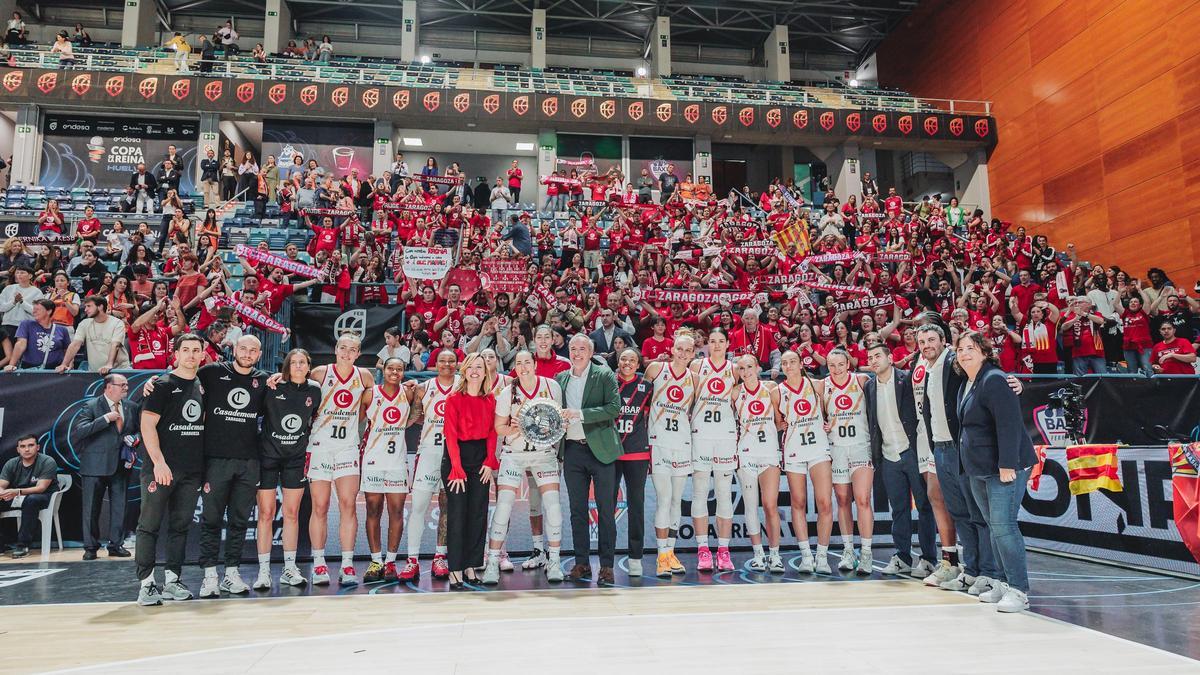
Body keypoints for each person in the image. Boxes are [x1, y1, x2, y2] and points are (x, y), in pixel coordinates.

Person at [954, 330, 1037, 613]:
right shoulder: (970, 382)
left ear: (985, 352)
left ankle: (1019, 590)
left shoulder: (995, 380)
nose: (964, 353)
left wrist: (1007, 465)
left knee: (1004, 526)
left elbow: (1009, 425)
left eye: (970, 348)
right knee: (993, 526)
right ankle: (1001, 582)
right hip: (980, 468)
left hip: (1003, 468)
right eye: (960, 349)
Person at [135, 333, 206, 606]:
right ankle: (146, 584)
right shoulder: (162, 385)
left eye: (195, 350)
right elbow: (147, 425)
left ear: (202, 355)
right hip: (161, 469)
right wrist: (159, 462)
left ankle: (172, 580)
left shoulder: (203, 384)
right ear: (175, 354)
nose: (190, 355)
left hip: (191, 471)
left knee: (180, 526)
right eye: (185, 350)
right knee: (149, 526)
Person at [484, 350, 565, 584]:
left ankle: (555, 562)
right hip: (514, 454)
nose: (523, 366)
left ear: (535, 364)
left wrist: (543, 427)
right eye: (518, 363)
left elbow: (556, 421)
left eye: (527, 362)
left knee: (553, 507)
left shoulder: (551, 387)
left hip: (543, 454)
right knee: (503, 506)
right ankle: (492, 562)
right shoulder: (507, 393)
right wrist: (516, 427)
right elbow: (499, 427)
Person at [303, 334, 372, 586]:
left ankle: (346, 564)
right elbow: (302, 399)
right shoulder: (321, 373)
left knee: (348, 505)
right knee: (319, 506)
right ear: (335, 349)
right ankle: (319, 563)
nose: (347, 353)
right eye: (343, 348)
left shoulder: (364, 377)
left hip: (347, 448)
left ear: (358, 353)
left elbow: (367, 409)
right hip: (320, 447)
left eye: (352, 349)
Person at [864, 343, 937, 577]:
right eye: (870, 357)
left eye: (878, 356)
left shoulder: (906, 380)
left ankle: (928, 559)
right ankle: (902, 557)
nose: (874, 360)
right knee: (899, 510)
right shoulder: (869, 386)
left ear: (890, 357)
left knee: (925, 507)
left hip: (913, 452)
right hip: (888, 456)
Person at [555, 334, 622, 584]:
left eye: (582, 348)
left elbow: (614, 408)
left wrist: (580, 414)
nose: (577, 353)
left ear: (591, 351)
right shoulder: (560, 378)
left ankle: (607, 566)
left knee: (606, 511)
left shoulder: (604, 375)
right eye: (573, 348)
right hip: (572, 451)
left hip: (601, 449)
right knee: (577, 511)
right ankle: (581, 562)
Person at [253, 348, 321, 590]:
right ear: (287, 367)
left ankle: (289, 568)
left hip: (295, 458)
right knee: (266, 514)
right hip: (268, 457)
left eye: (303, 362)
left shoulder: (314, 390)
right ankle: (263, 571)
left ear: (309, 365)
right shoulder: (273, 386)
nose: (299, 366)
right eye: (294, 363)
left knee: (291, 514)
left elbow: (314, 417)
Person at [399, 349, 458, 582]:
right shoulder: (425, 388)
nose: (446, 364)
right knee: (419, 507)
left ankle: (440, 556)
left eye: (451, 360)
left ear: (457, 364)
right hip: (428, 454)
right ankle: (412, 559)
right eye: (442, 360)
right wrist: (405, 393)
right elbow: (413, 418)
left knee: (447, 507)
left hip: (453, 455)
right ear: (436, 363)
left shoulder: (464, 385)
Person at [441, 353, 497, 588]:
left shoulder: (490, 399)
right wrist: (456, 467)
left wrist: (489, 461)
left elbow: (493, 432)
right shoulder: (454, 399)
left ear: (486, 372)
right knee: (457, 515)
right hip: (457, 458)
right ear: (464, 371)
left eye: (480, 367)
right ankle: (454, 569)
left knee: (478, 514)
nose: (475, 370)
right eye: (471, 366)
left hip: (480, 459)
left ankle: (471, 566)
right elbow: (450, 435)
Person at [643, 333, 697, 577]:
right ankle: (661, 555)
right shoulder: (656, 369)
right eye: (680, 348)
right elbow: (640, 403)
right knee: (664, 499)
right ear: (672, 349)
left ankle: (671, 552)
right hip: (659, 443)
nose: (683, 353)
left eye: (688, 350)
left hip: (683, 444)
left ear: (693, 354)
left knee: (677, 501)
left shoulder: (695, 379)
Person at [69, 374, 137, 560]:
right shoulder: (91, 406)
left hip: (121, 465)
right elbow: (81, 431)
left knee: (119, 508)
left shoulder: (131, 407)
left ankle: (116, 545)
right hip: (94, 466)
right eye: (121, 385)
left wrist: (135, 438)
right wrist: (105, 418)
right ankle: (90, 547)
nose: (126, 388)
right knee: (91, 509)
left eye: (126, 385)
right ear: (108, 387)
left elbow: (137, 430)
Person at [777, 350, 833, 574]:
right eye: (784, 363)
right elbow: (778, 423)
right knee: (798, 502)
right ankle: (806, 556)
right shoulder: (777, 392)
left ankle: (822, 556)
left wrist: (830, 422)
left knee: (825, 503)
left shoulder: (817, 386)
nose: (788, 366)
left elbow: (832, 410)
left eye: (792, 362)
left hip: (818, 448)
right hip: (793, 451)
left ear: (801, 363)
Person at [688, 328, 739, 572]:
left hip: (726, 436)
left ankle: (723, 549)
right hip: (701, 435)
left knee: (724, 494)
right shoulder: (697, 367)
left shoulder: (735, 369)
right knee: (700, 493)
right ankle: (703, 549)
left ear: (728, 344)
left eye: (721, 341)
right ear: (707, 344)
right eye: (713, 341)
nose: (717, 345)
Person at [360, 357, 414, 583]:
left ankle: (390, 561)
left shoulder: (409, 393)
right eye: (391, 368)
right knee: (373, 510)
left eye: (399, 369)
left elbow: (415, 415)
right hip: (373, 459)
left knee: (397, 512)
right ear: (384, 369)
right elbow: (357, 420)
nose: (394, 372)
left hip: (397, 462)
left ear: (403, 372)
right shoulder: (370, 393)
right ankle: (376, 561)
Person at [822, 348, 875, 574]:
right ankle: (848, 550)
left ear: (848, 364)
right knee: (842, 500)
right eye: (832, 365)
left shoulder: (861, 380)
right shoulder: (822, 385)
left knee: (862, 499)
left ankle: (866, 553)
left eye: (840, 364)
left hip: (861, 446)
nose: (836, 369)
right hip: (837, 449)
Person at [733, 354, 783, 572]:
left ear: (758, 367)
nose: (746, 371)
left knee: (771, 506)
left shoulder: (771, 387)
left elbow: (781, 420)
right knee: (751, 506)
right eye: (741, 368)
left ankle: (775, 554)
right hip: (746, 454)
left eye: (749, 367)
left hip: (769, 453)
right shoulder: (735, 392)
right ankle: (758, 554)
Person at [614, 347, 652, 576]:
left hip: (637, 453)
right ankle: (606, 559)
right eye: (623, 359)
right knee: (607, 506)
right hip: (610, 453)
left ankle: (635, 557)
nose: (627, 362)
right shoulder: (608, 383)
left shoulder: (646, 387)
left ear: (638, 365)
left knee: (636, 507)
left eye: (632, 360)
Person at [0, 435, 60, 558]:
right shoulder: (11, 463)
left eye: (30, 445)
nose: (26, 449)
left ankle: (23, 545)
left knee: (31, 499)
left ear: (37, 447)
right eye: (23, 446)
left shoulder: (47, 461)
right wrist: (2, 493)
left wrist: (17, 492)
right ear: (18, 449)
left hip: (43, 497)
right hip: (18, 496)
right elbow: (1, 485)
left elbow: (41, 488)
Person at [57, 296, 130, 374]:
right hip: (95, 372)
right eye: (85, 307)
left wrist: (109, 365)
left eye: (89, 306)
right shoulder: (84, 323)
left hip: (119, 371)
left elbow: (115, 345)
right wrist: (64, 364)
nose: (85, 310)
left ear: (100, 307)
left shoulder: (117, 323)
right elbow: (75, 345)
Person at [5, 299, 71, 370]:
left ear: (49, 311)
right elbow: (20, 344)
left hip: (54, 371)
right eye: (34, 309)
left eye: (38, 309)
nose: (34, 311)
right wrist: (11, 365)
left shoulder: (62, 329)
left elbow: (68, 350)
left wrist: (69, 366)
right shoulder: (26, 324)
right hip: (30, 369)